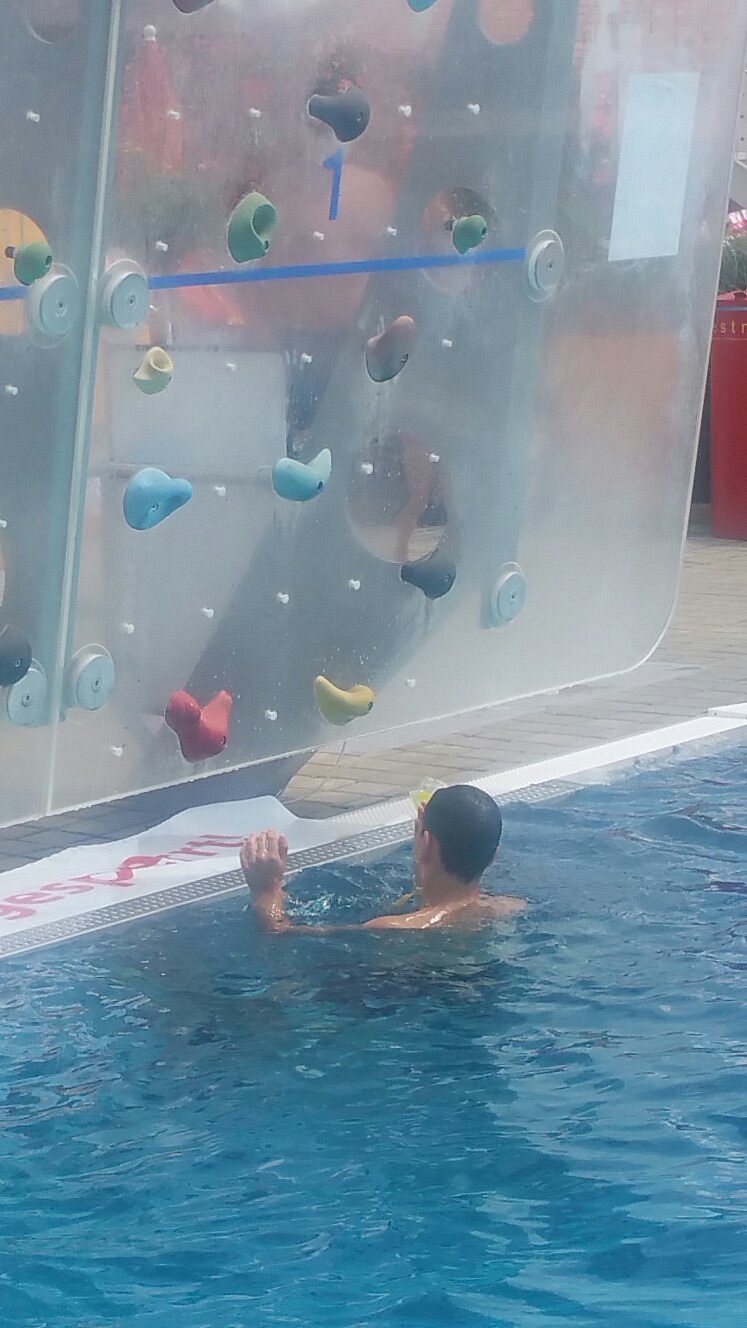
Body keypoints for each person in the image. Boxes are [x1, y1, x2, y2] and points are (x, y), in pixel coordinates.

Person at [241, 784, 526, 934]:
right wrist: (424, 859)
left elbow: (280, 932)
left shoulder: (391, 928)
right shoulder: (509, 908)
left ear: (425, 843)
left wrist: (267, 891)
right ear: (493, 857)